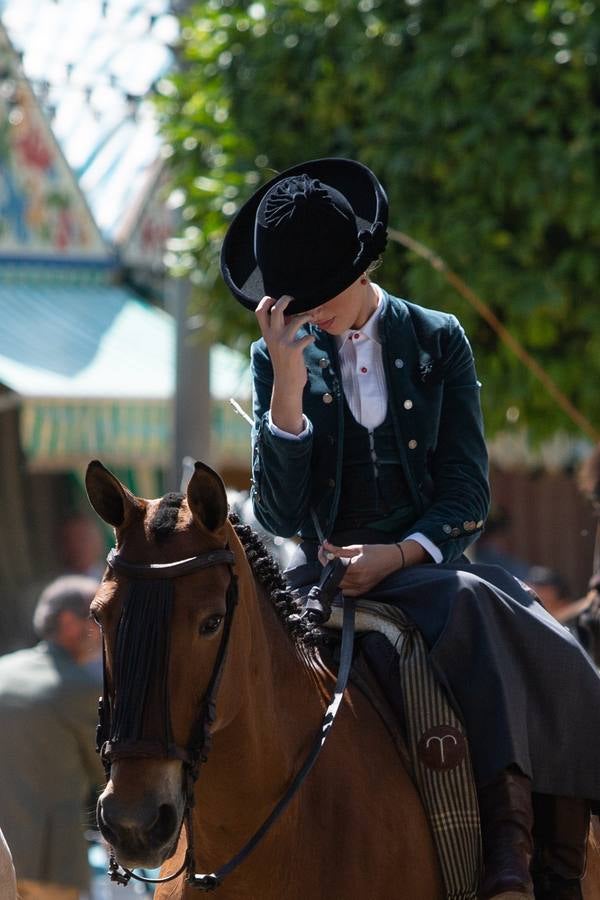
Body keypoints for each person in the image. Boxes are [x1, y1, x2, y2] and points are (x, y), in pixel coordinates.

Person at [220, 157, 600, 900]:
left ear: (366, 267)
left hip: (426, 566)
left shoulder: (439, 337)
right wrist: (288, 387)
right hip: (318, 573)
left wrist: (396, 553)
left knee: (500, 622)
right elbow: (276, 516)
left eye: (323, 297)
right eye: (298, 300)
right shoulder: (280, 356)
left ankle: (520, 854)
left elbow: (465, 489)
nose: (311, 312)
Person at [0, 575, 104, 900]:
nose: (105, 630)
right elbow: (110, 773)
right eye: (98, 618)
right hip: (50, 863)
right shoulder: (79, 688)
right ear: (69, 623)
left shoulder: (4, 669)